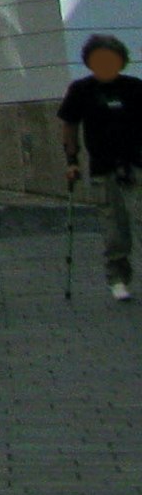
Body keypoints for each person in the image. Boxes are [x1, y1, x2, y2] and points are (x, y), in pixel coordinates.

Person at [59, 32, 140, 305]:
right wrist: (72, 161)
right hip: (103, 169)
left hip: (136, 165)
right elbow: (69, 126)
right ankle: (117, 277)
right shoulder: (81, 90)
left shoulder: (134, 87)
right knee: (114, 228)